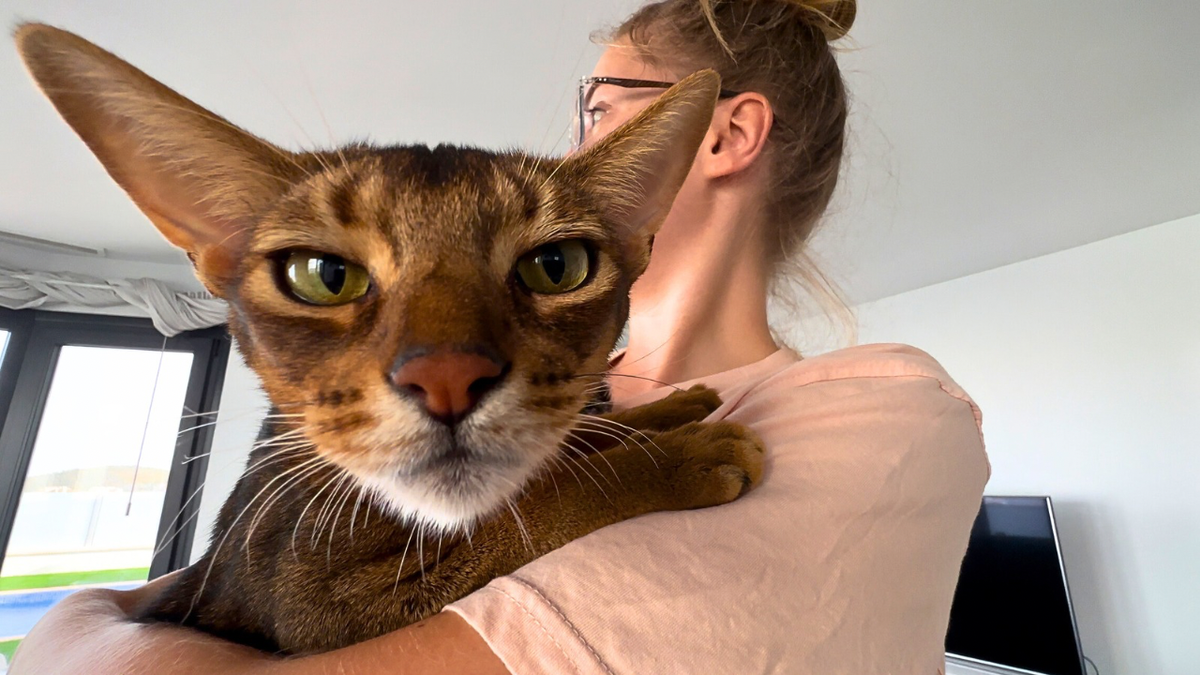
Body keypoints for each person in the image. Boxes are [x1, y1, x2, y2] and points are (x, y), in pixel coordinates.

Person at [9, 1, 989, 673]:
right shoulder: (591, 404)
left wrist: (84, 633)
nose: (576, 154)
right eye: (331, 275)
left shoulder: (881, 410)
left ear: (718, 139)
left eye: (599, 115)